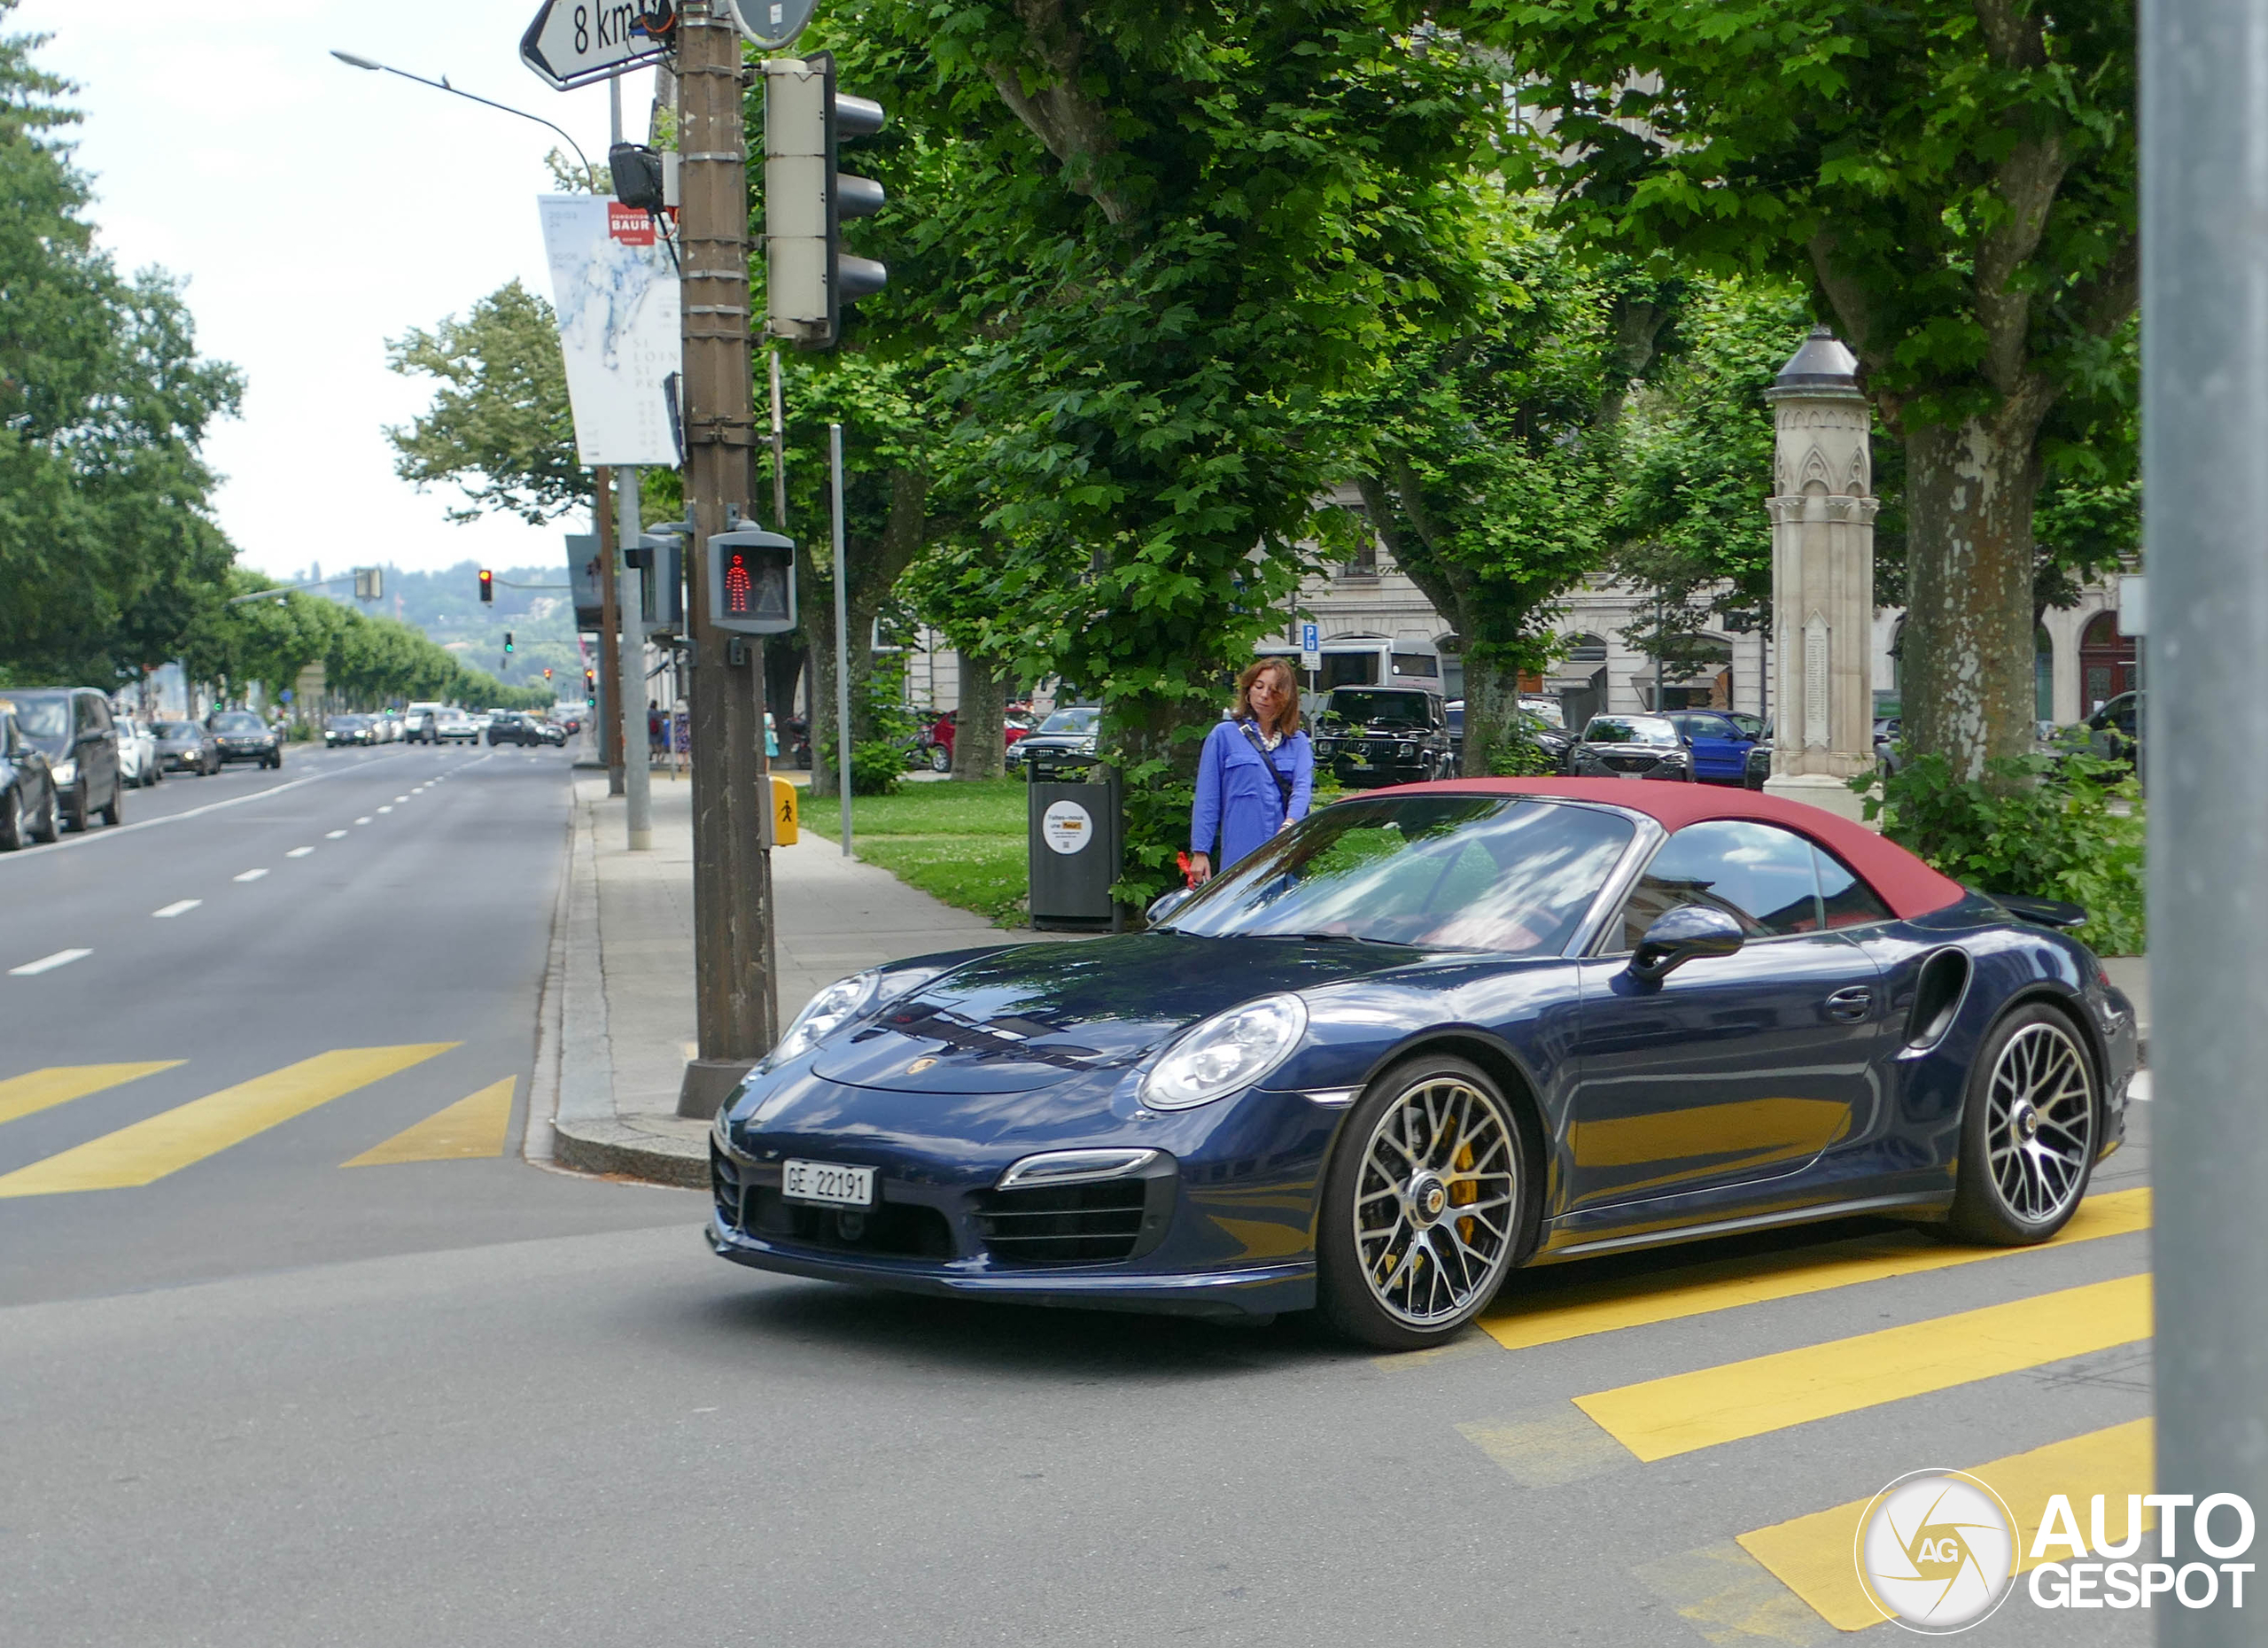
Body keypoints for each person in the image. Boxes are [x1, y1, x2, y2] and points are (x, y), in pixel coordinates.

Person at [1188, 657, 1313, 883]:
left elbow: (1302, 788)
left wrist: (1290, 825)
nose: (1264, 695)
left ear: (1286, 698)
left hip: (1285, 850)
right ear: (1248, 689)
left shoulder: (1298, 741)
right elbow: (1208, 797)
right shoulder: (1223, 735)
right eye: (1259, 686)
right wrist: (1200, 852)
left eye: (1274, 690)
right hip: (1240, 850)